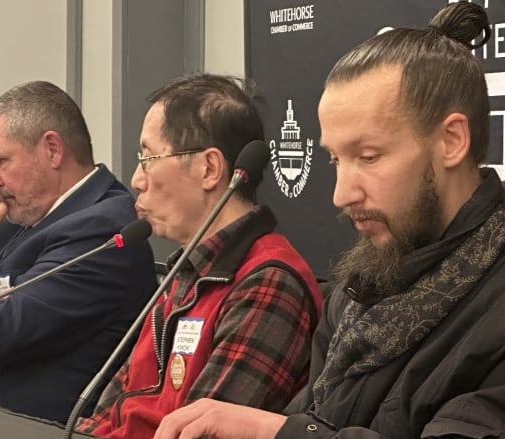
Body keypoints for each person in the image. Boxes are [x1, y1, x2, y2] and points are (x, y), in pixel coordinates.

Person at [154, 3, 505, 439]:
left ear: (451, 141)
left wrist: (278, 433)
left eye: (368, 156)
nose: (341, 194)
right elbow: (317, 416)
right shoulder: (359, 288)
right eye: (335, 159)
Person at [77, 73, 322, 439]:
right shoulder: (188, 268)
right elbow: (114, 406)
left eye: (148, 158)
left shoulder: (269, 281)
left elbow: (197, 433)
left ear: (209, 168)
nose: (136, 179)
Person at [0, 80, 157, 423]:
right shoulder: (20, 212)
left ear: (52, 149)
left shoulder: (103, 230)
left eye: (0, 161)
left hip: (17, 425)